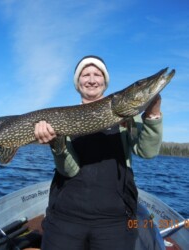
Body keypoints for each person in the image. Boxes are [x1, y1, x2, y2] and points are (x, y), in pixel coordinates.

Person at [34, 55, 162, 250]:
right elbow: (69, 171)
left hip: (114, 220)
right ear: (78, 83)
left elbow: (147, 152)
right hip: (66, 217)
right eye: (85, 75)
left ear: (105, 81)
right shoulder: (63, 119)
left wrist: (152, 114)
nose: (92, 79)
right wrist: (56, 144)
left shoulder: (127, 118)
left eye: (97, 74)